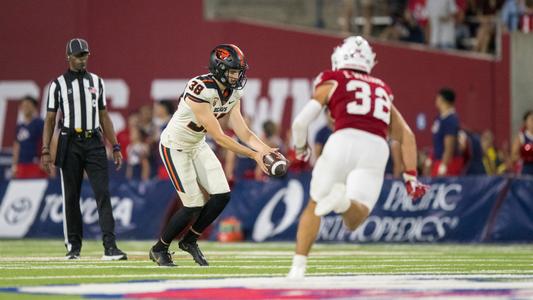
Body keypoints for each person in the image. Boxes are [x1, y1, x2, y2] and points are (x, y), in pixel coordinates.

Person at [287, 36, 428, 278]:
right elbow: (407, 135)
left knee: (314, 204)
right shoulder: (382, 88)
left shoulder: (334, 79)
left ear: (339, 57)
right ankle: (341, 203)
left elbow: (300, 123)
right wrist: (410, 177)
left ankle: (298, 268)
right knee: (355, 218)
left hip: (343, 140)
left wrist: (300, 149)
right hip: (376, 147)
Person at [149, 44, 276, 267]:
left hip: (197, 144)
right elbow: (219, 137)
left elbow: (243, 131)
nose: (237, 76)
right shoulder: (200, 89)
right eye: (233, 71)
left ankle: (190, 240)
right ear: (219, 69)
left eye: (239, 71)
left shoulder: (234, 92)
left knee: (222, 195)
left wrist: (265, 150)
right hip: (175, 146)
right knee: (192, 205)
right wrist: (254, 155)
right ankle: (159, 248)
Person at [40, 38, 127, 260]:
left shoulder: (97, 81)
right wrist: (46, 149)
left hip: (94, 141)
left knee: (103, 193)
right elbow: (50, 119)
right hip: (69, 141)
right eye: (78, 55)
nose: (82, 59)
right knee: (71, 196)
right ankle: (73, 247)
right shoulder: (58, 84)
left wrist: (115, 145)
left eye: (85, 55)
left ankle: (110, 247)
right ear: (68, 57)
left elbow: (104, 116)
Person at [430, 87, 464, 176]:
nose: (436, 100)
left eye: (437, 98)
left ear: (442, 99)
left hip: (449, 162)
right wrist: (430, 159)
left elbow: (449, 145)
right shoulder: (439, 119)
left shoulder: (450, 120)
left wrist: (443, 166)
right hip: (438, 160)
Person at [12, 96, 47, 179]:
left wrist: (44, 159)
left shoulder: (40, 124)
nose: (26, 108)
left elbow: (47, 142)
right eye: (23, 105)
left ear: (34, 107)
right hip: (22, 165)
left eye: (28, 105)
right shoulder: (19, 127)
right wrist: (14, 165)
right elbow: (16, 146)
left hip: (36, 164)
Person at [511, 110, 533, 176]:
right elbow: (513, 156)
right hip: (527, 170)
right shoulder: (521, 137)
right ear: (525, 122)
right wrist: (526, 157)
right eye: (532, 119)